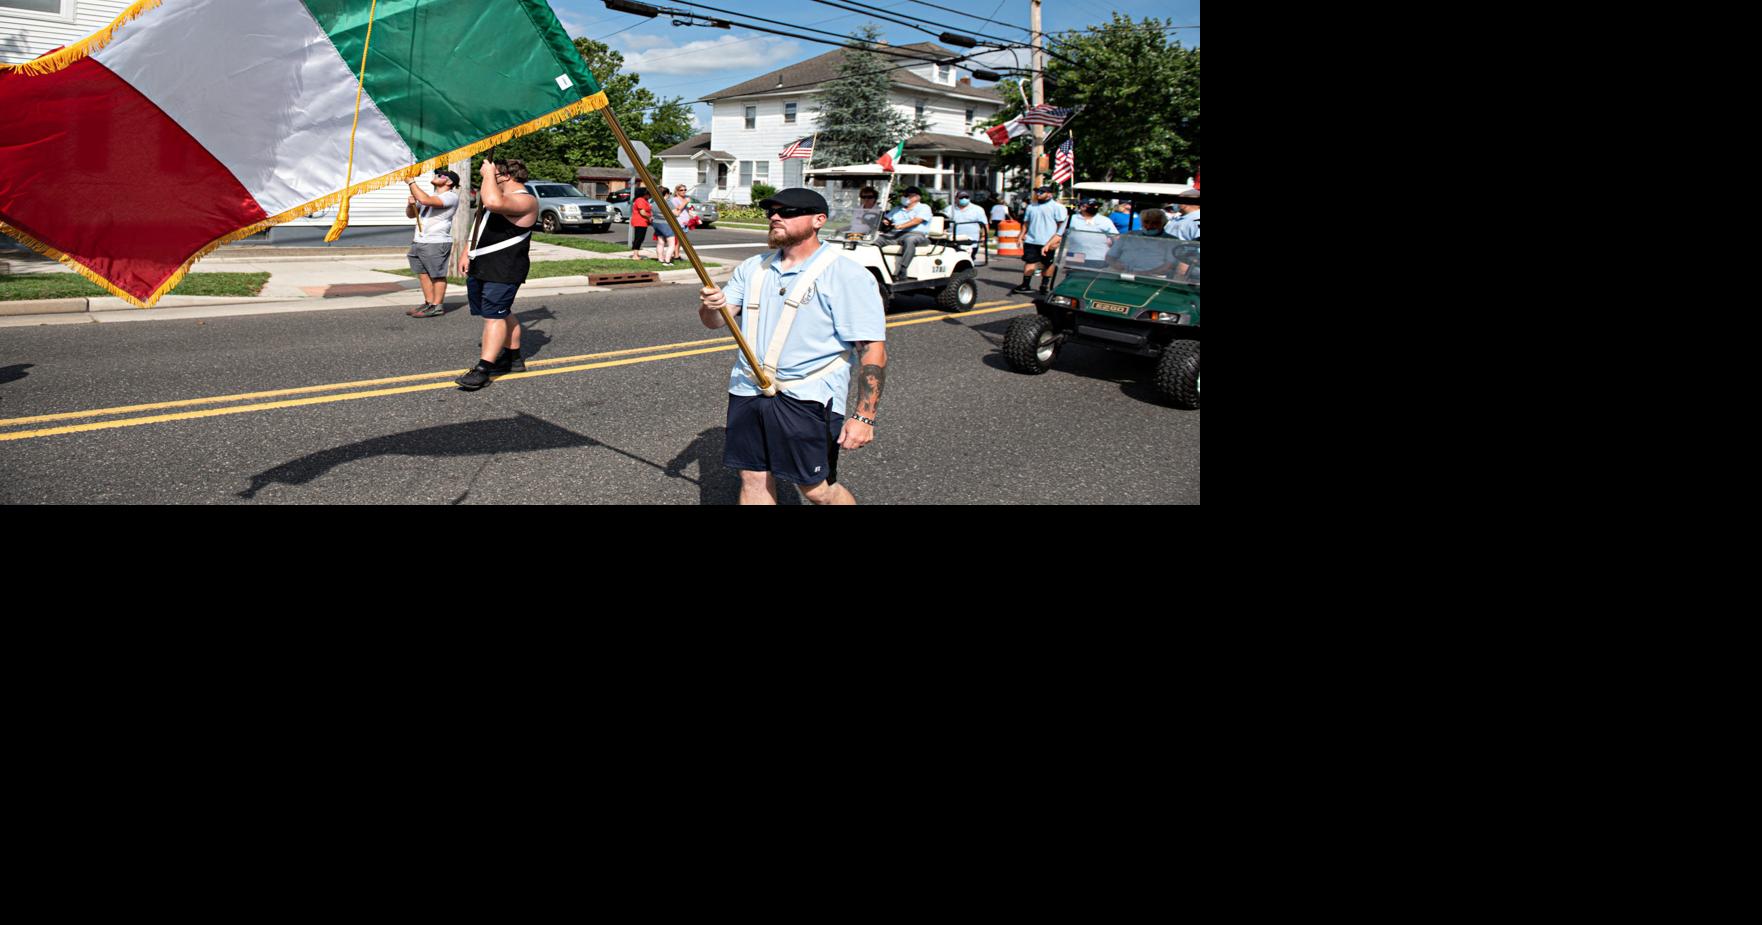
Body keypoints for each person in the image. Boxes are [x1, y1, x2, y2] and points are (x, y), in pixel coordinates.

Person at [696, 188, 888, 506]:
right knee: (753, 479)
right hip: (748, 389)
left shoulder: (846, 275)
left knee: (817, 490)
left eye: (787, 212)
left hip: (809, 397)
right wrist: (711, 306)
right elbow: (715, 322)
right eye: (771, 212)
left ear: (818, 220)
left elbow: (871, 350)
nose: (774, 217)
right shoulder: (753, 268)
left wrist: (864, 417)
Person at [454, 158, 539, 391]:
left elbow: (492, 202)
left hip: (505, 267)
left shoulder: (525, 200)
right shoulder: (499, 199)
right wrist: (466, 252)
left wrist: (487, 175)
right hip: (483, 263)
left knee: (494, 315)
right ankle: (513, 359)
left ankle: (483, 369)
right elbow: (480, 224)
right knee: (499, 312)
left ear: (505, 176)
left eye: (493, 174)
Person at [405, 169, 460, 317]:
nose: (436, 176)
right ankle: (429, 303)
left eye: (441, 175)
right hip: (419, 241)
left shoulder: (450, 197)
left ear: (449, 182)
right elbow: (411, 215)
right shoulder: (430, 196)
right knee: (423, 274)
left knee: (437, 275)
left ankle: (437, 306)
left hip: (436, 242)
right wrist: (411, 205)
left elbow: (425, 201)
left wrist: (411, 182)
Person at [1011, 184, 1068, 294]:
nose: (1038, 193)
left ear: (1049, 194)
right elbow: (1026, 223)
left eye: (1041, 192)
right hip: (1031, 240)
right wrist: (1021, 236)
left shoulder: (1057, 207)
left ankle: (1044, 285)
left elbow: (1061, 225)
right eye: (1037, 191)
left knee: (1047, 263)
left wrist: (1057, 240)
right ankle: (1025, 285)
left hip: (1048, 241)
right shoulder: (1031, 206)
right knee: (1029, 261)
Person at [879, 186, 933, 281]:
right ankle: (878, 267)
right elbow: (887, 218)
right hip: (896, 235)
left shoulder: (924, 208)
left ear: (917, 197)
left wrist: (901, 226)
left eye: (907, 195)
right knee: (877, 239)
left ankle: (903, 270)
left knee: (910, 240)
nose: (904, 197)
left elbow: (917, 221)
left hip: (917, 234)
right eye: (904, 195)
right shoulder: (897, 209)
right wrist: (885, 221)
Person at [1104, 208, 1177, 276]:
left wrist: (1143, 273)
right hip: (1122, 274)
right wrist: (1117, 266)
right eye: (1146, 222)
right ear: (1141, 222)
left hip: (1153, 278)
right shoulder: (1129, 235)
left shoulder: (1171, 240)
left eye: (1155, 223)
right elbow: (1110, 256)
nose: (1149, 226)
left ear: (1163, 224)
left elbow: (1169, 265)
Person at [1063, 198, 1118, 265]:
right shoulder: (1071, 219)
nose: (1095, 207)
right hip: (1075, 255)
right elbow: (1060, 234)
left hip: (1097, 257)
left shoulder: (1105, 220)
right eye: (1091, 206)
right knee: (1073, 273)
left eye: (1096, 206)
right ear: (1082, 207)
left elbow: (1115, 236)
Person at [629, 187, 652, 256]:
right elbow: (642, 212)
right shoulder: (640, 200)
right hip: (640, 221)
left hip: (643, 222)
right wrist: (650, 217)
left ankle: (636, 253)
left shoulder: (644, 200)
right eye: (648, 194)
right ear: (644, 194)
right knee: (639, 238)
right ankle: (635, 254)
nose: (649, 195)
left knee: (641, 238)